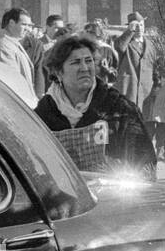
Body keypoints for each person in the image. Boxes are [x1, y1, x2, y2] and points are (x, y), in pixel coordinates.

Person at [33, 33, 156, 177]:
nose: (85, 68)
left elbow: (145, 163)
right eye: (76, 62)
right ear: (59, 72)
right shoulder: (43, 115)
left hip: (112, 194)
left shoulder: (120, 109)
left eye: (88, 61)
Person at [114, 12, 162, 137]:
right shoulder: (125, 43)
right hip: (129, 89)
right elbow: (119, 47)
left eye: (141, 25)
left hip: (146, 90)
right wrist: (129, 32)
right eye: (135, 26)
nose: (139, 28)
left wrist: (156, 85)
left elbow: (156, 66)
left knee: (144, 122)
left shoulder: (151, 45)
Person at [0, 8, 36, 99]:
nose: (28, 29)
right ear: (11, 23)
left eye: (29, 25)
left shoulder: (11, 43)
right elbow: (12, 81)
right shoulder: (4, 45)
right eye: (24, 25)